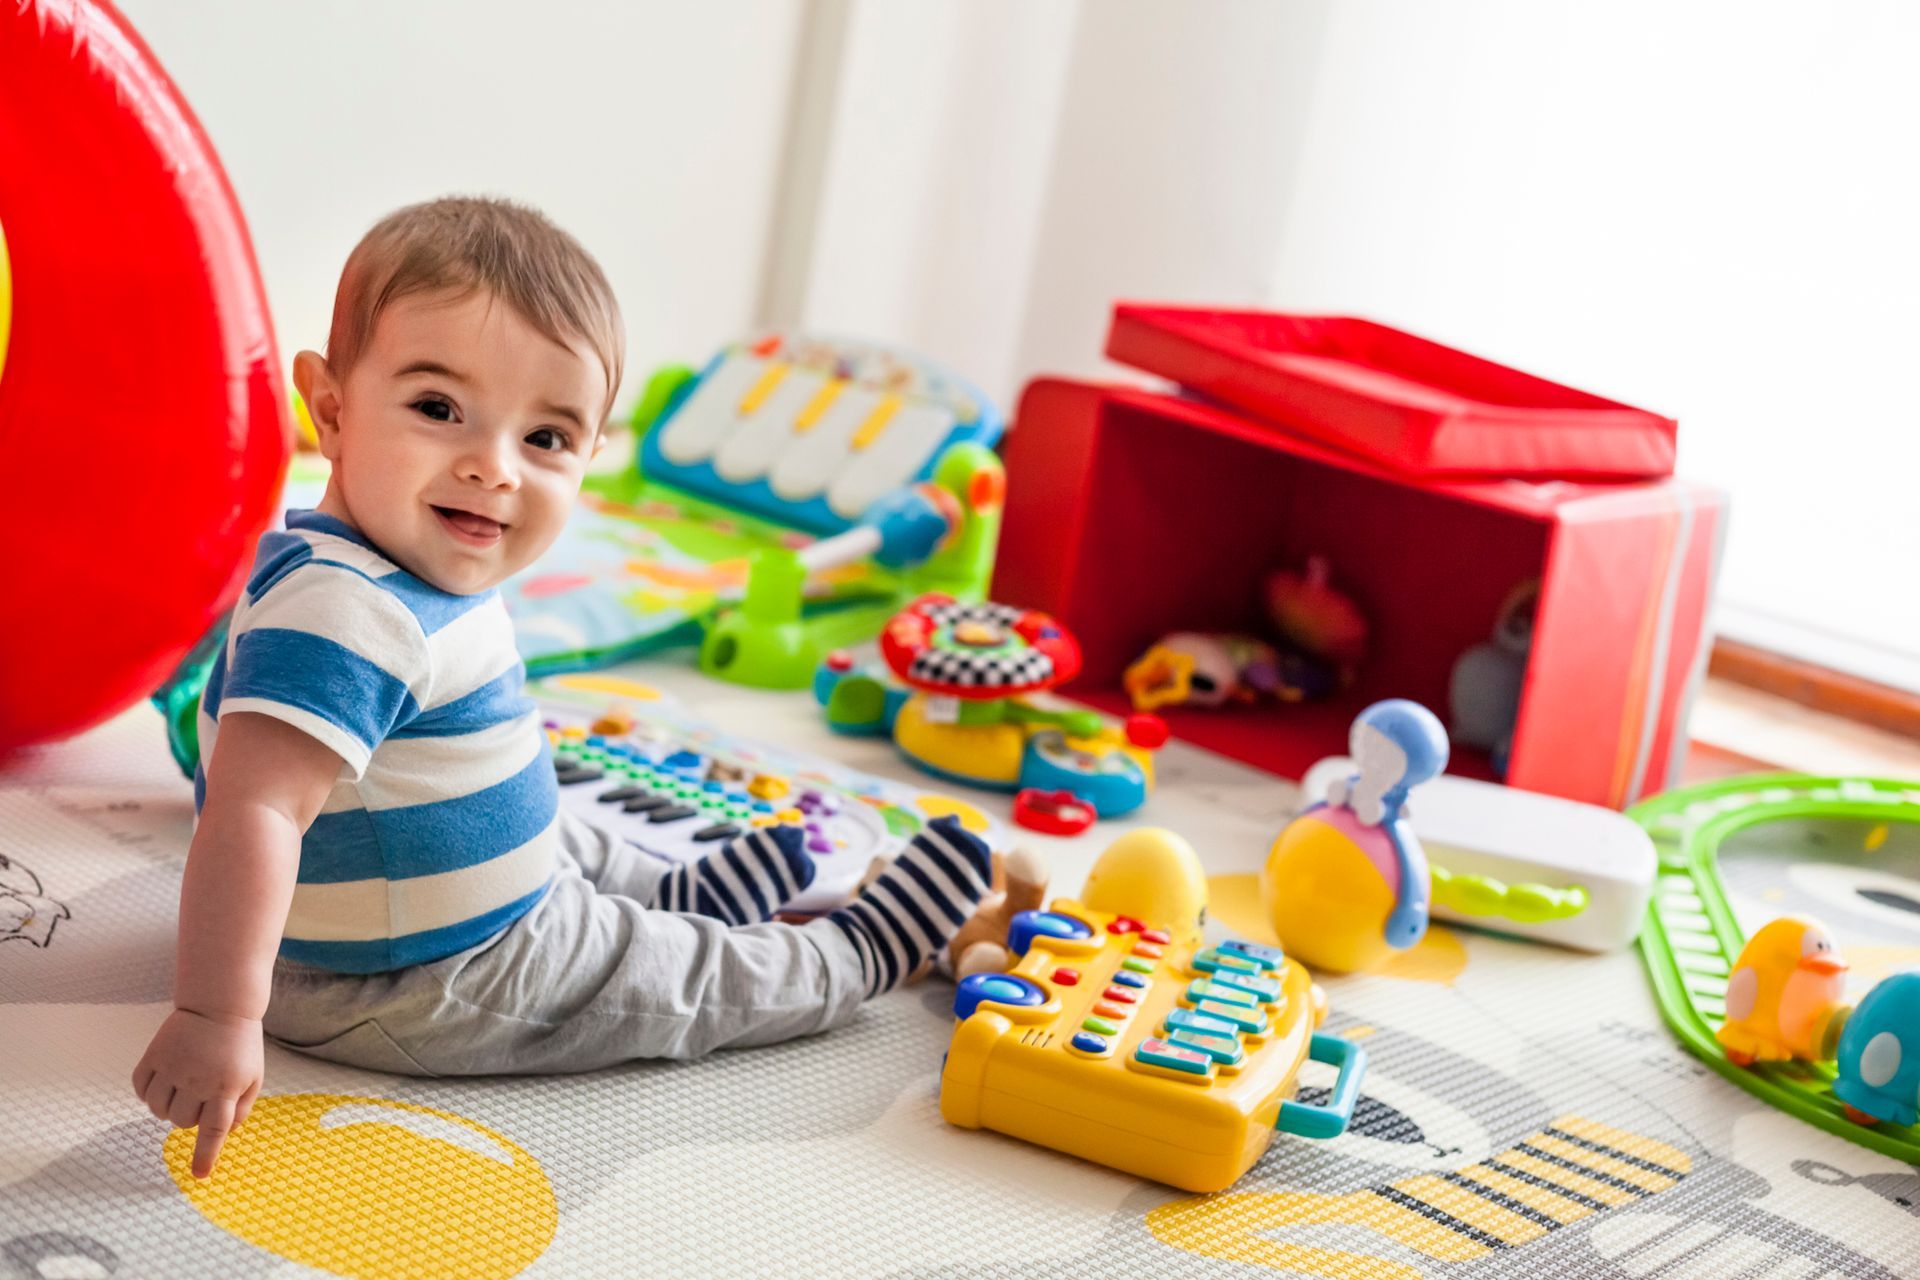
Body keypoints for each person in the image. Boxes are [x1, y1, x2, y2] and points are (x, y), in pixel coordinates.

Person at [131, 197, 994, 1179]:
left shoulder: (401, 560)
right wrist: (215, 1014)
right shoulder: (343, 613)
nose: (491, 466)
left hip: (439, 897)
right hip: (417, 977)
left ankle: (681, 890)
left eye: (546, 437)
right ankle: (852, 955)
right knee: (671, 981)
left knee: (573, 827)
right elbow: (254, 811)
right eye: (438, 408)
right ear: (329, 407)